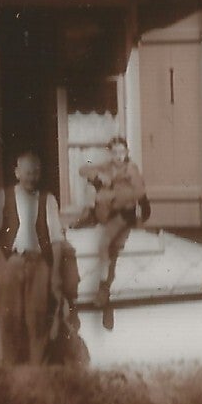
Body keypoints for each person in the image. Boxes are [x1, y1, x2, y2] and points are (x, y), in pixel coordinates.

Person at [0, 151, 82, 365]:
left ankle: (38, 374)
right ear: (17, 172)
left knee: (38, 319)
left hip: (39, 264)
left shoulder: (48, 200)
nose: (32, 177)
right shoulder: (3, 197)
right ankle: (12, 374)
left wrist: (55, 274)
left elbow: (56, 240)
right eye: (27, 172)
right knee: (10, 320)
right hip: (11, 263)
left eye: (36, 173)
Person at [71, 136, 152, 331]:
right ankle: (91, 215)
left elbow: (139, 193)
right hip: (106, 211)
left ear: (126, 153)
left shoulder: (130, 169)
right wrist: (98, 177)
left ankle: (103, 288)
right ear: (110, 153)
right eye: (114, 152)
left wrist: (114, 193)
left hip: (123, 214)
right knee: (94, 193)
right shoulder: (107, 166)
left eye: (121, 152)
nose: (118, 156)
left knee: (106, 244)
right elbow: (83, 169)